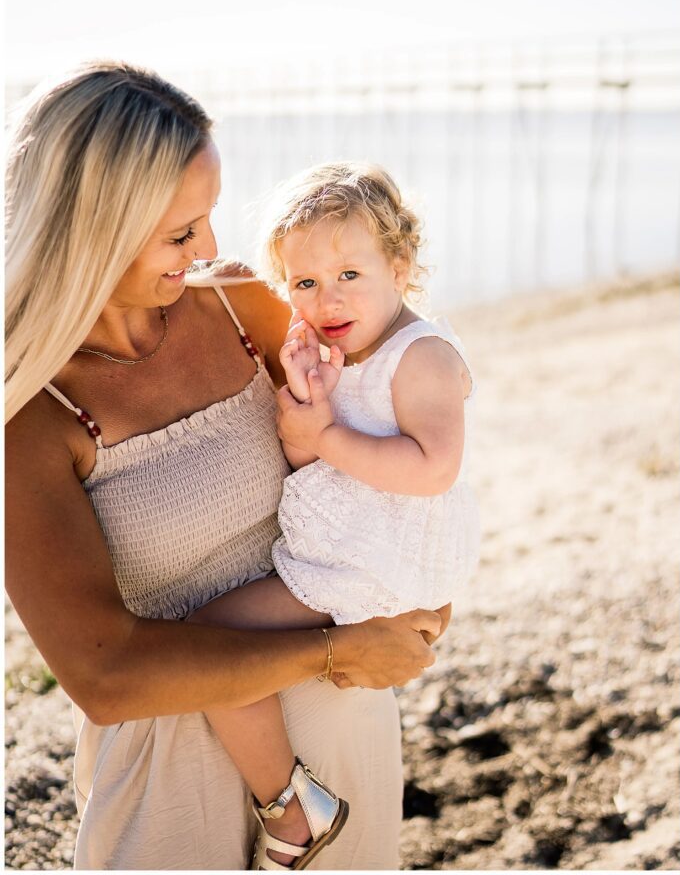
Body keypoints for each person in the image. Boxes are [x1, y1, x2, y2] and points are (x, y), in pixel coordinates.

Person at [4, 62, 444, 871]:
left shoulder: (244, 306)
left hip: (342, 727)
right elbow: (104, 675)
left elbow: (380, 442)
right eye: (180, 233)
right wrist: (338, 653)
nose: (208, 249)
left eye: (205, 219)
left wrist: (421, 588)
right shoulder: (27, 415)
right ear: (91, 228)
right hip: (169, 776)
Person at [183, 162, 480, 870]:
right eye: (305, 283)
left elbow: (435, 465)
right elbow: (305, 461)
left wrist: (329, 438)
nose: (327, 298)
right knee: (221, 642)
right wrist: (307, 409)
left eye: (349, 274)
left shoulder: (424, 356)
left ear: (400, 266)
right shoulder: (339, 352)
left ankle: (290, 809)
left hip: (370, 562)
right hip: (351, 554)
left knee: (207, 640)